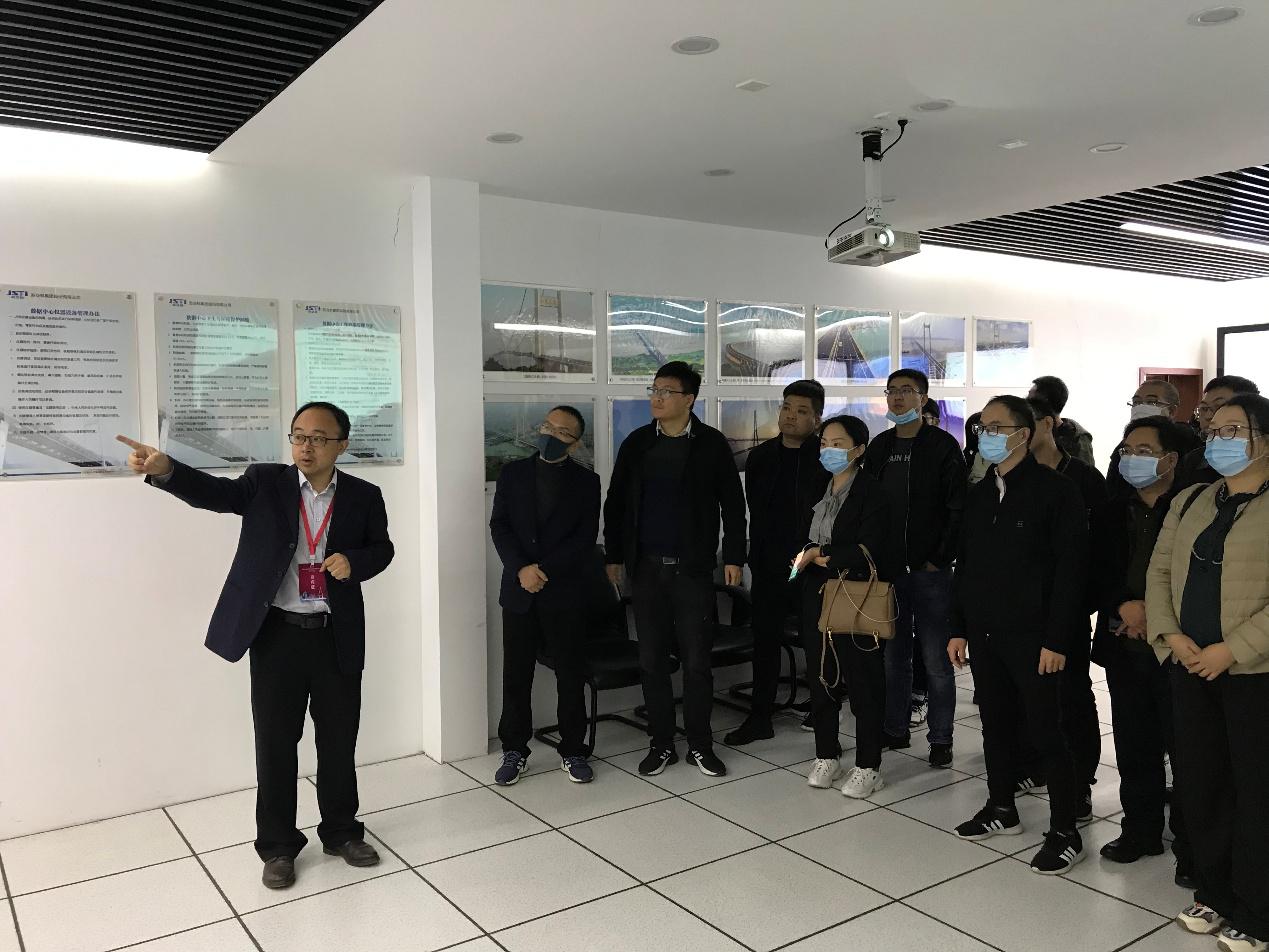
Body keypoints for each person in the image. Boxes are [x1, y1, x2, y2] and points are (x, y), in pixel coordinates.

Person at [116, 402, 394, 890]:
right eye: (298, 436)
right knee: (276, 744)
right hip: (277, 635)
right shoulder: (266, 482)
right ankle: (278, 846)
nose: (305, 446)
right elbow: (215, 495)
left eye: (318, 438)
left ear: (341, 445)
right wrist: (166, 470)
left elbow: (382, 549)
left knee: (338, 741)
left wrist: (356, 561)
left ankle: (341, 833)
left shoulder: (364, 495)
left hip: (335, 635)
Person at [1148, 394, 1269, 952]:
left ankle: (1258, 910)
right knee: (1202, 783)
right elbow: (1160, 571)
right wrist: (1172, 637)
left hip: (1253, 672)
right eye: (1213, 430)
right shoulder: (1193, 498)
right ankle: (1216, 892)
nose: (1218, 440)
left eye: (1233, 430)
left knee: (1256, 791)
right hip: (1191, 666)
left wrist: (1231, 650)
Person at [948, 395, 1089, 875]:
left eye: (996, 426)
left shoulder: (1056, 491)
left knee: (1047, 731)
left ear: (1023, 434)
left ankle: (1065, 830)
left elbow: (1071, 573)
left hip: (1036, 636)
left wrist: (1057, 640)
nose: (985, 434)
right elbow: (965, 566)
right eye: (981, 427)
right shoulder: (979, 494)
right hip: (986, 632)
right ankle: (1001, 806)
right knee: (995, 724)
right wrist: (957, 628)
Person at [604, 361, 746, 778]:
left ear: (689, 399)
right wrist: (614, 555)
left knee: (697, 661)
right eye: (654, 389)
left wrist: (734, 556)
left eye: (666, 391)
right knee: (651, 660)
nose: (657, 397)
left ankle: (700, 744)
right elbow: (616, 503)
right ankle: (661, 742)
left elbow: (732, 504)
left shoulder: (711, 443)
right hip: (646, 570)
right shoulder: (637, 443)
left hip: (693, 571)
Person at [1094, 418, 1193, 884]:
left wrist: (1157, 615)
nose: (1131, 458)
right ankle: (1140, 829)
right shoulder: (1111, 510)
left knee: (1187, 747)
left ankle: (1192, 846)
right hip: (1124, 640)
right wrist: (1123, 605)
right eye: (1126, 450)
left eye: (1144, 450)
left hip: (1178, 646)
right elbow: (1095, 569)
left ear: (1170, 459)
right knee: (1134, 742)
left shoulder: (1194, 507)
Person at [489, 406, 601, 785]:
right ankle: (514, 750)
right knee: (516, 675)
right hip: (519, 590)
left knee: (570, 674)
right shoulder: (513, 473)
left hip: (564, 592)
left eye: (562, 432)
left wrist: (544, 570)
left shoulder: (587, 482)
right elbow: (500, 526)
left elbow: (584, 539)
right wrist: (522, 568)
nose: (551, 435)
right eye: (547, 427)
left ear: (575, 442)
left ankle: (573, 749)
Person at [863, 368, 965, 768]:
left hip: (930, 572)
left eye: (907, 391)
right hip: (889, 571)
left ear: (923, 399)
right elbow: (868, 504)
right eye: (892, 391)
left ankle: (941, 738)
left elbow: (956, 508)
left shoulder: (942, 445)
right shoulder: (881, 445)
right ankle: (895, 728)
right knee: (894, 657)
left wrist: (939, 557)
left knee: (936, 661)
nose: (898, 397)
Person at [791, 415, 893, 797]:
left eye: (837, 444)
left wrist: (823, 553)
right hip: (816, 592)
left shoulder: (872, 492)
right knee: (821, 676)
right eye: (824, 443)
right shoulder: (817, 485)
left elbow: (871, 547)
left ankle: (869, 765)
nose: (828, 450)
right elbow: (800, 537)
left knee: (863, 682)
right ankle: (827, 754)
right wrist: (807, 556)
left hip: (855, 593)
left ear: (859, 449)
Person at [1017, 396, 1107, 812]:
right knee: (1026, 693)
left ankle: (1080, 778)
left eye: (1026, 422)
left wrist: (1084, 601)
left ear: (1049, 424)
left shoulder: (1083, 478)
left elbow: (1101, 546)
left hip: (1068, 606)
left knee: (1071, 693)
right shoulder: (1014, 476)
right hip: (1021, 607)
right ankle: (1035, 764)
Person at [726, 380, 829, 746]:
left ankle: (823, 712)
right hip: (769, 564)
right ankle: (760, 717)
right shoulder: (761, 457)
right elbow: (755, 510)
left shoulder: (824, 458)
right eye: (787, 408)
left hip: (812, 565)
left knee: (817, 642)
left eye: (801, 411)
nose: (790, 416)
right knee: (765, 641)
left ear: (817, 419)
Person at [1106, 379, 1202, 497]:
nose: (1141, 407)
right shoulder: (1122, 448)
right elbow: (1112, 489)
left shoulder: (1189, 446)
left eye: (1151, 402)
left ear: (1171, 411)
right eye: (1136, 402)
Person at [1174, 375, 1260, 492]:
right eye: (1204, 408)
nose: (1208, 416)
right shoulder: (1194, 461)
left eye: (1220, 407)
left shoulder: (1261, 459)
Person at [1029, 375, 1095, 466]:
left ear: (1045, 401)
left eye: (1031, 400)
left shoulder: (1078, 439)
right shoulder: (1030, 432)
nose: (1026, 404)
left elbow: (1085, 473)